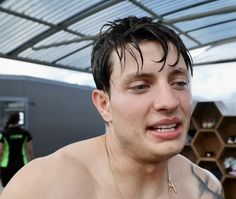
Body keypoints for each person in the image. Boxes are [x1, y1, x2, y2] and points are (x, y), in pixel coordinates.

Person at [0, 16, 224, 198]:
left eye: (179, 83)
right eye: (140, 86)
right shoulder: (40, 187)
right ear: (104, 105)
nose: (169, 101)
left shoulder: (205, 188)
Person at [0, 112, 33, 187]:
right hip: (22, 165)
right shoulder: (25, 133)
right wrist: (31, 165)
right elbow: (29, 151)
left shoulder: (4, 134)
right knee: (21, 187)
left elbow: (0, 152)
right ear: (19, 120)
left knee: (7, 189)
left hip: (6, 166)